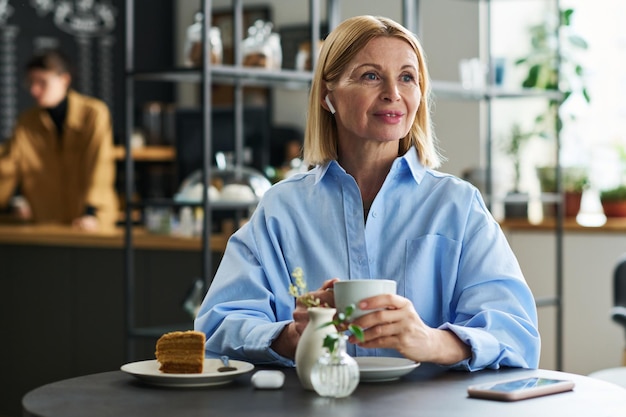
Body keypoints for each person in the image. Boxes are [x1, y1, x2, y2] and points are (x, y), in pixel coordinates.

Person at [194, 15, 540, 371]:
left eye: (407, 77)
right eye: (371, 76)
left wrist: (429, 340)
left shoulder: (458, 205)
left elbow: (516, 334)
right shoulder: (282, 208)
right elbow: (217, 326)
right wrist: (292, 336)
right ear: (329, 96)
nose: (393, 93)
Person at [0, 49, 118, 230]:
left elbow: (99, 165)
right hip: (47, 221)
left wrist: (91, 213)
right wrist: (9, 204)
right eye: (31, 82)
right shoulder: (26, 123)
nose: (34, 90)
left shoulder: (93, 113)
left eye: (42, 82)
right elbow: (7, 166)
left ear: (65, 79)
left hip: (92, 221)